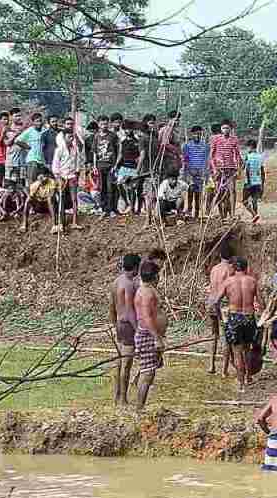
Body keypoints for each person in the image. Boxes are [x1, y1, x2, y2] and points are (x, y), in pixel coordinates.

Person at [219, 257, 262, 390]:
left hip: (234, 317)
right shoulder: (252, 281)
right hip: (249, 317)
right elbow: (261, 303)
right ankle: (248, 377)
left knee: (237, 352)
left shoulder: (228, 282)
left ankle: (241, 383)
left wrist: (221, 316)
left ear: (234, 268)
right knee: (247, 349)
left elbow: (216, 300)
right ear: (246, 268)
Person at [132, 261, 167, 410]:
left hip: (150, 334)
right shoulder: (146, 292)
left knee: (150, 369)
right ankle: (139, 409)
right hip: (147, 335)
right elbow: (146, 317)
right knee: (148, 374)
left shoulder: (148, 289)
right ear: (154, 276)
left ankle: (136, 383)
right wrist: (156, 338)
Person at [108, 254, 141, 405]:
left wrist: (114, 324)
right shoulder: (128, 284)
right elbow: (130, 312)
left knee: (120, 363)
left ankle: (116, 395)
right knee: (126, 364)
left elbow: (112, 306)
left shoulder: (116, 282)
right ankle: (123, 399)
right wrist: (138, 330)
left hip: (119, 325)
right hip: (128, 326)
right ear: (135, 267)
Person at [207, 245, 234, 375]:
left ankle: (211, 365)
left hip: (211, 302)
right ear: (232, 257)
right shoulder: (230, 269)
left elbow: (212, 286)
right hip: (223, 304)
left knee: (214, 335)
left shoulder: (214, 269)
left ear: (220, 256)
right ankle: (224, 370)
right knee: (226, 337)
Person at [52, 127, 83, 231]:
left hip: (72, 176)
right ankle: (61, 223)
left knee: (74, 199)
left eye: (72, 137)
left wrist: (77, 172)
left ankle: (75, 221)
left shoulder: (75, 149)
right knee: (62, 199)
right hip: (62, 176)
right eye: (69, 137)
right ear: (64, 137)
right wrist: (58, 177)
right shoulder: (59, 149)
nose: (71, 139)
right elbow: (55, 165)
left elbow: (78, 161)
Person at [209, 120, 241, 219]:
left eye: (227, 128)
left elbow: (237, 154)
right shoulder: (216, 139)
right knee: (219, 191)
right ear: (221, 129)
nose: (225, 130)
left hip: (231, 169)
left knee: (232, 191)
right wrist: (214, 169)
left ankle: (232, 214)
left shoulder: (234, 139)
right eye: (223, 128)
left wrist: (238, 168)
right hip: (219, 169)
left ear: (230, 129)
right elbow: (211, 155)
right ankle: (216, 213)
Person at [90, 116, 120, 218]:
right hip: (100, 165)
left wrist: (115, 165)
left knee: (110, 188)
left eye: (106, 124)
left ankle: (111, 209)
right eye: (102, 124)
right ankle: (103, 209)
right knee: (101, 188)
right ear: (98, 124)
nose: (104, 126)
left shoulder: (113, 136)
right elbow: (94, 152)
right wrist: (94, 166)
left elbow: (118, 151)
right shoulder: (96, 137)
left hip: (110, 166)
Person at [23, 166, 59, 233]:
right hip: (38, 205)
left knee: (49, 198)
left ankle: (54, 225)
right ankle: (24, 224)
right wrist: (38, 186)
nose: (42, 179)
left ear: (47, 176)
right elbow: (31, 197)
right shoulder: (34, 185)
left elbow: (52, 195)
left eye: (44, 177)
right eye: (40, 177)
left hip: (49, 205)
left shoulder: (52, 182)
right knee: (28, 200)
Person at [182, 126, 208, 220]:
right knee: (190, 192)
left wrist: (204, 173)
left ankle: (197, 214)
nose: (197, 135)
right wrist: (188, 171)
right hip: (190, 173)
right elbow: (185, 159)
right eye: (196, 134)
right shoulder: (187, 146)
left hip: (200, 173)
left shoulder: (205, 146)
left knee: (198, 194)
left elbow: (206, 160)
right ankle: (189, 212)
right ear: (192, 134)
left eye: (199, 134)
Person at [16, 113, 47, 188]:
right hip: (32, 159)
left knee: (41, 183)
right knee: (32, 182)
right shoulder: (29, 131)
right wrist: (27, 147)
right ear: (33, 122)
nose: (39, 123)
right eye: (37, 121)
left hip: (41, 160)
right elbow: (17, 140)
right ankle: (30, 198)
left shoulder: (44, 131)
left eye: (40, 121)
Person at [242, 139, 264, 223]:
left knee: (244, 201)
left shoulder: (248, 156)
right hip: (258, 182)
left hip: (249, 182)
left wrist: (248, 182)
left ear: (250, 147)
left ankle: (254, 214)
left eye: (247, 147)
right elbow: (262, 171)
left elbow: (246, 168)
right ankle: (255, 216)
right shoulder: (260, 156)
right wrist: (262, 183)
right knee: (254, 200)